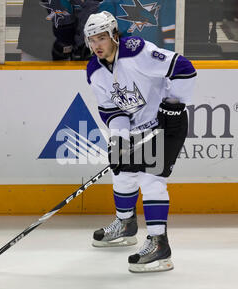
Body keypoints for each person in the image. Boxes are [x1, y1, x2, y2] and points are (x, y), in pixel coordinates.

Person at [84, 11, 196, 273]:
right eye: (92, 40)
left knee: (151, 179)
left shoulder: (137, 52)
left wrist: (173, 105)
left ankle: (159, 246)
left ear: (113, 35)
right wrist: (119, 140)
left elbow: (184, 69)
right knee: (122, 174)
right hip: (136, 131)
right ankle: (125, 226)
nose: (97, 45)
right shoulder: (94, 70)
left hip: (166, 125)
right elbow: (112, 110)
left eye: (101, 38)